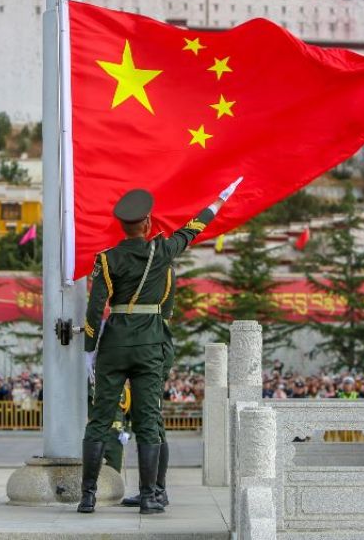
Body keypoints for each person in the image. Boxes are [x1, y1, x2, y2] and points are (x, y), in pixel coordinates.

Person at [78, 178, 241, 515]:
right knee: (149, 420)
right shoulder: (163, 251)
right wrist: (219, 200)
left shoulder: (106, 259)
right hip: (150, 343)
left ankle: (88, 496)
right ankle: (150, 496)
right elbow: (193, 228)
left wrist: (89, 348)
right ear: (148, 223)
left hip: (115, 344)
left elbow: (95, 309)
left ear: (122, 226)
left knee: (99, 419)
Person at [120, 264, 176, 509]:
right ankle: (151, 489)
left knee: (153, 426)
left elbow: (163, 313)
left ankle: (157, 491)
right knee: (148, 426)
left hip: (154, 348)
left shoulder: (162, 272)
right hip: (146, 348)